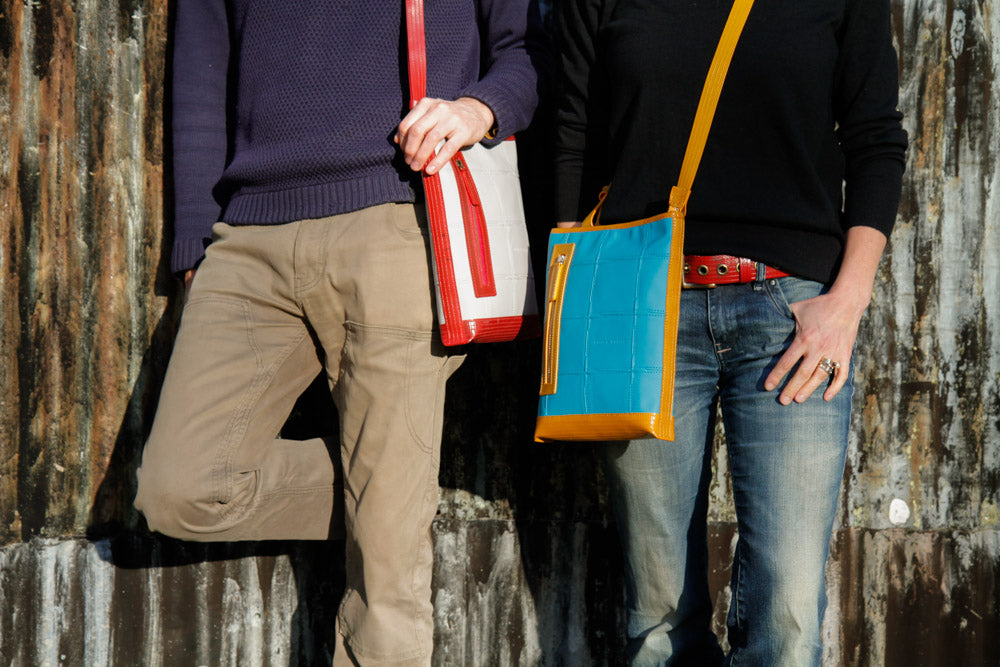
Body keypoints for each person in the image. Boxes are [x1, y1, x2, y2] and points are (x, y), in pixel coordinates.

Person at [133, 1, 540, 664]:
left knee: (387, 590)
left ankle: (388, 493)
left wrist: (476, 109)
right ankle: (383, 482)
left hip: (396, 219)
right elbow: (201, 72)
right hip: (248, 238)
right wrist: (193, 242)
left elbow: (528, 49)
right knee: (178, 489)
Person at [553, 0, 907, 664]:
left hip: (792, 317)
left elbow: (876, 137)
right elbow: (574, 128)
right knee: (657, 617)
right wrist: (576, 299)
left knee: (789, 613)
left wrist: (848, 301)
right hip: (642, 313)